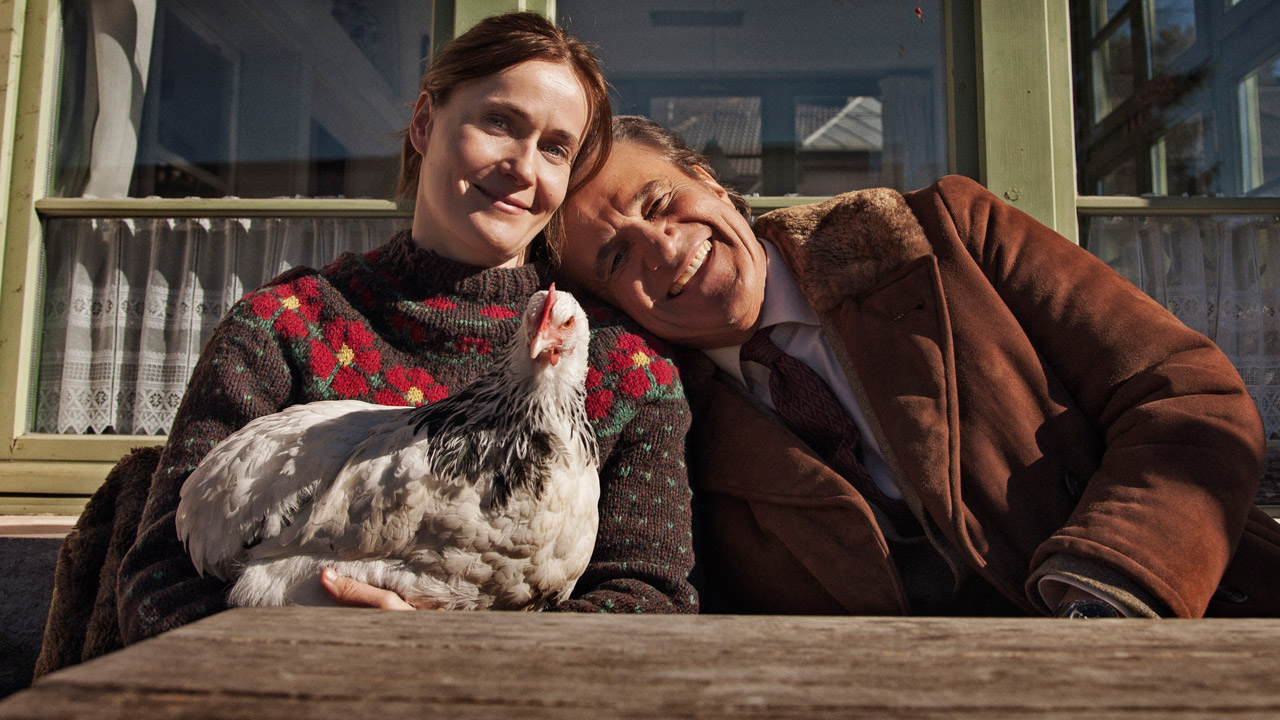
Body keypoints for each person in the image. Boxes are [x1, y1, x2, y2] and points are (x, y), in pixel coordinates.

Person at [113, 17, 697, 644]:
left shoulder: (624, 369)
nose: (522, 166)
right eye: (499, 123)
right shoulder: (284, 326)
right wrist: (307, 646)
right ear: (423, 123)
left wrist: (451, 657)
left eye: (555, 148)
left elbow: (650, 601)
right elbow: (158, 587)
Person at [555, 115, 1280, 618]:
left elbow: (1187, 396)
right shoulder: (664, 430)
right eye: (615, 258)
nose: (662, 246)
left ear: (711, 181)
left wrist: (1107, 598)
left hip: (1188, 632)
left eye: (661, 200)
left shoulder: (945, 234)